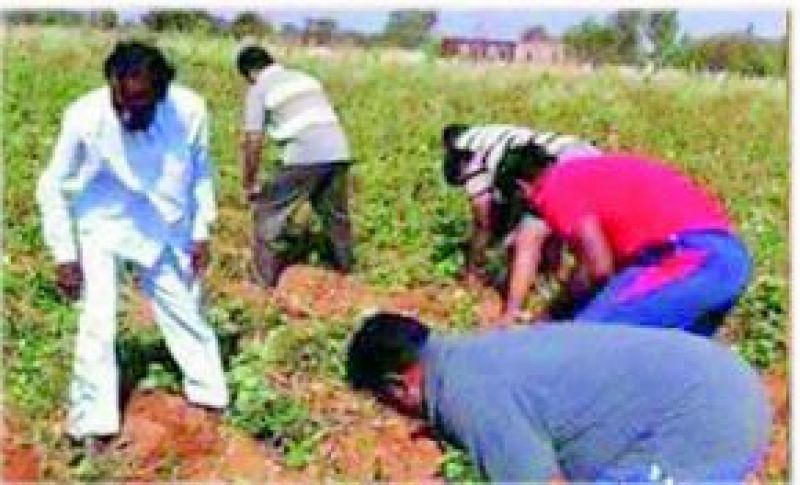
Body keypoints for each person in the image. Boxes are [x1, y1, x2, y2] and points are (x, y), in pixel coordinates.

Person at [36, 41, 228, 451]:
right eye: (121, 100)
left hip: (164, 220)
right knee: (97, 320)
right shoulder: (85, 115)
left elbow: (200, 172)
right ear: (111, 85)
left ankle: (211, 400)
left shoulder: (189, 110)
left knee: (184, 308)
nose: (127, 112)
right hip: (102, 220)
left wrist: (201, 229)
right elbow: (52, 184)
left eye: (140, 104)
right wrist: (64, 254)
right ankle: (94, 426)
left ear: (162, 94)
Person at [346, 311, 770, 482]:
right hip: (719, 384)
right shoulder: (469, 357)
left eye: (387, 406)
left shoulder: (466, 394)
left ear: (398, 385)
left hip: (702, 421)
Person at [513, 152, 752, 336]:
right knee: (656, 366)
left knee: (583, 342)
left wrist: (553, 313)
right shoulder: (589, 172)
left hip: (689, 259)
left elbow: (598, 267)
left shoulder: (554, 185)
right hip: (727, 259)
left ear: (523, 188)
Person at [442, 123, 602, 324]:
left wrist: (473, 269)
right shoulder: (496, 133)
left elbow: (482, 217)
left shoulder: (467, 152)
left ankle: (511, 312)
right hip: (590, 156)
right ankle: (550, 280)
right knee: (557, 224)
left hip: (559, 165)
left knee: (527, 239)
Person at [236, 41, 354, 287]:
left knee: (268, 214)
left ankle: (262, 283)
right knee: (336, 217)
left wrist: (249, 181)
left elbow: (253, 138)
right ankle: (346, 272)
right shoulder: (306, 79)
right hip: (338, 151)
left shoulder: (259, 89)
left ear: (250, 73)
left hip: (304, 154)